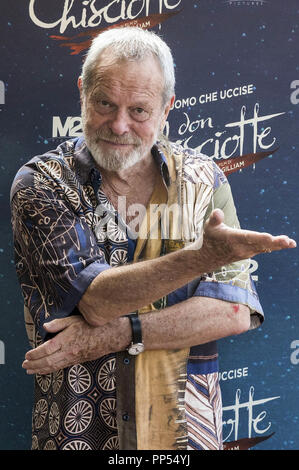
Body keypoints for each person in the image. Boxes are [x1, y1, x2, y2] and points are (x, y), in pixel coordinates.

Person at [11, 27, 296, 451]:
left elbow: (234, 311)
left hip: (186, 434)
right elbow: (97, 299)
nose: (119, 125)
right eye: (105, 103)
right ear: (82, 92)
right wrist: (202, 259)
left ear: (166, 110)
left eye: (139, 111)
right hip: (77, 432)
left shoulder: (205, 180)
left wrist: (112, 335)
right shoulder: (41, 183)